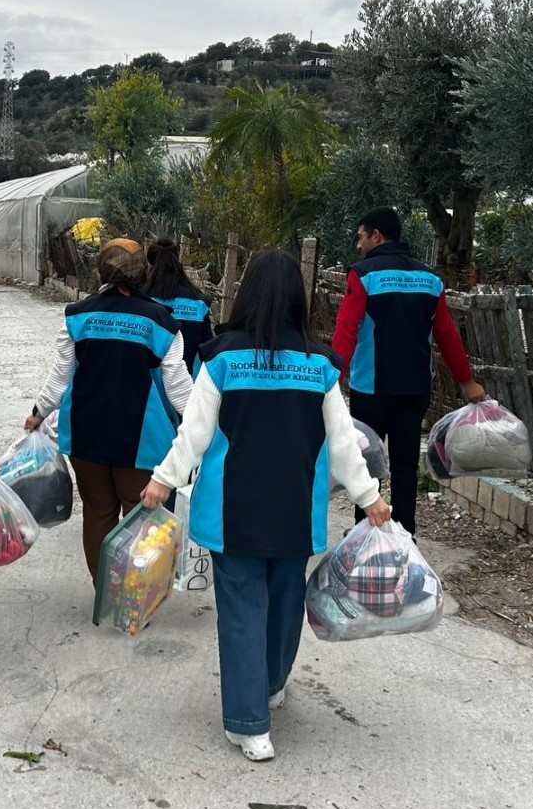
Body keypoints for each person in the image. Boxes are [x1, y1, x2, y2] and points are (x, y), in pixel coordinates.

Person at [139, 250, 392, 762]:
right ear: (297, 298)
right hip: (295, 510)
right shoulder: (320, 365)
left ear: (247, 293)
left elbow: (194, 434)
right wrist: (370, 498)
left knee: (241, 610)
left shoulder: (222, 358)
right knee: (283, 603)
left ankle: (249, 723)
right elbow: (345, 444)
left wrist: (162, 481)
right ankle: (272, 684)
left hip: (232, 513)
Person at [25, 240, 193, 581]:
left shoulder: (78, 315)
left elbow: (60, 376)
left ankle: (106, 588)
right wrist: (200, 429)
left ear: (100, 270)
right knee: (140, 517)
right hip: (141, 441)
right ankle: (132, 598)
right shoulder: (161, 322)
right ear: (142, 273)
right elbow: (179, 388)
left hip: (86, 435)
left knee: (99, 513)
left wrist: (38, 412)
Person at [332, 207, 485, 536]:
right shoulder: (429, 280)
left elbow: (347, 330)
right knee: (404, 467)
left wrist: (333, 379)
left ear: (377, 236)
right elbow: (447, 335)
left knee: (365, 462)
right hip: (414, 390)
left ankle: (365, 536)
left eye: (361, 237)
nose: (358, 246)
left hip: (370, 389)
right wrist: (467, 382)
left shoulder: (362, 275)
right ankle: (405, 537)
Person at [144, 238, 214, 375]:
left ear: (150, 263)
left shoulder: (142, 300)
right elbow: (207, 347)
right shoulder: (199, 303)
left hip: (150, 389)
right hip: (188, 387)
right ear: (176, 261)